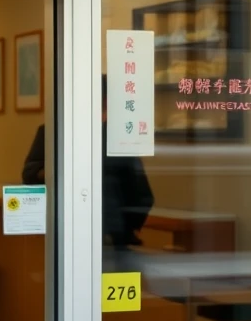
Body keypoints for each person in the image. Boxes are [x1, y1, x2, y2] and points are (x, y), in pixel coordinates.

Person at [22, 76, 154, 257]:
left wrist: (123, 228)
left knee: (110, 281)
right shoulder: (51, 131)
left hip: (111, 238)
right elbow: (29, 174)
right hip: (65, 234)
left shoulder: (118, 138)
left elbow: (142, 195)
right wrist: (56, 172)